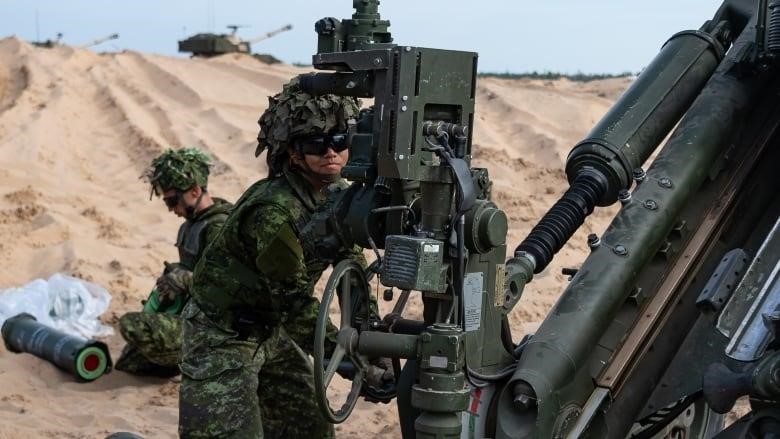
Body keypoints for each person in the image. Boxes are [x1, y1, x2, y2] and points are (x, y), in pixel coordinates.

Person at [178, 77, 368, 438]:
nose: (331, 151)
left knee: (311, 427)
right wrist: (345, 351)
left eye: (340, 140)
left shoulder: (340, 197)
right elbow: (294, 303)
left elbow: (352, 269)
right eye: (316, 143)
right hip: (221, 336)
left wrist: (367, 338)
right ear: (294, 153)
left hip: (271, 332)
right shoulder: (274, 211)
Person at [114, 147, 232, 377]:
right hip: (189, 312)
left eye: (173, 200)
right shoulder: (190, 225)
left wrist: (184, 279)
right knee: (129, 362)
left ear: (195, 191)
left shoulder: (219, 226)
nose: (171, 209)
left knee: (131, 325)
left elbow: (228, 286)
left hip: (213, 328)